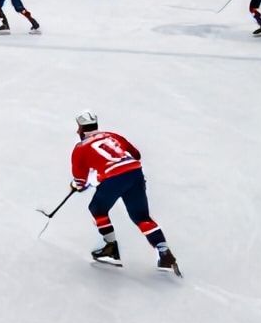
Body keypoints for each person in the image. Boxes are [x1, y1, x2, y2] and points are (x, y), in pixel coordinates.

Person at [70, 111, 179, 275]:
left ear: (81, 129)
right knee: (141, 217)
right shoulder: (113, 136)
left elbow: (80, 182)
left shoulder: (80, 148)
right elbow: (136, 155)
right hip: (135, 173)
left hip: (114, 178)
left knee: (97, 209)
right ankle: (164, 253)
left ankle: (111, 249)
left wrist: (79, 184)